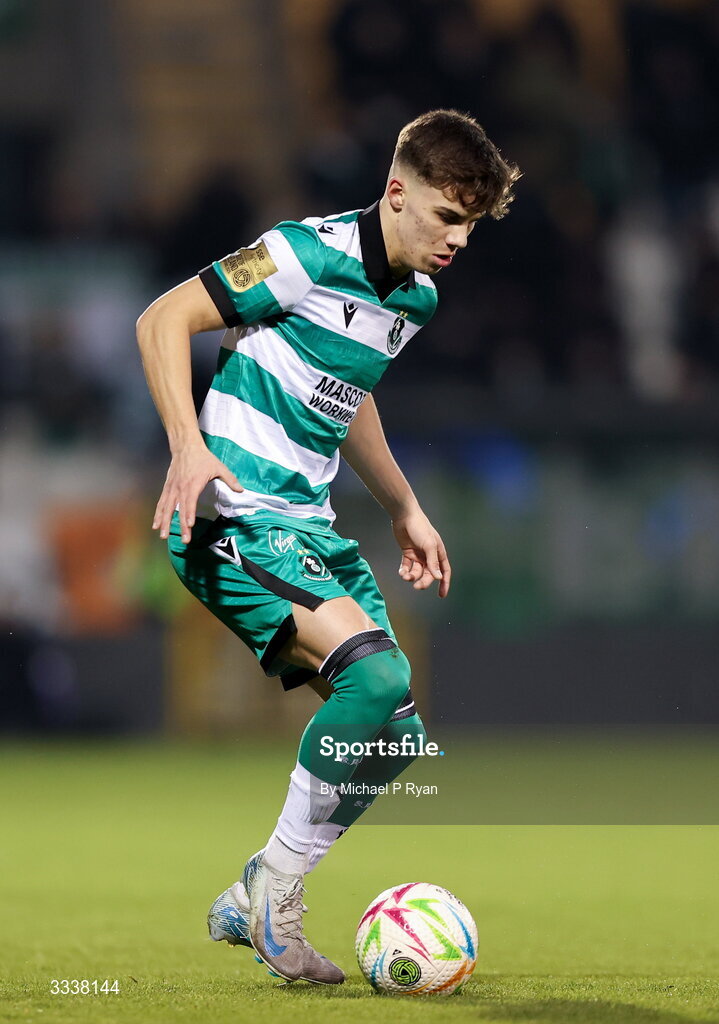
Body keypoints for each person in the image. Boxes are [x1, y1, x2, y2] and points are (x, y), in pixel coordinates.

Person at [136, 109, 519, 986]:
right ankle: (274, 890)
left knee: (390, 735)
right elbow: (161, 319)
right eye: (445, 216)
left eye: (469, 223)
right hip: (231, 518)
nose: (456, 238)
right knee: (378, 678)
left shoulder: (413, 297)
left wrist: (403, 506)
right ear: (395, 192)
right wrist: (188, 447)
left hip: (307, 528)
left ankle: (256, 896)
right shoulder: (301, 254)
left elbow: (351, 390)